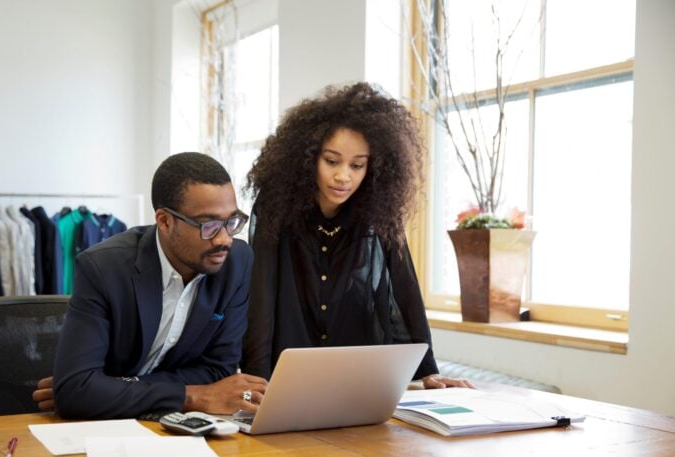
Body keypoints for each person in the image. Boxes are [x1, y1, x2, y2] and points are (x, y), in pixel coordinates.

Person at [241, 82, 472, 389]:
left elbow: (405, 288)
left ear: (373, 168)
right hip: (288, 369)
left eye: (357, 165)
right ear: (308, 158)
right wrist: (256, 379)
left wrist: (427, 370)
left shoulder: (377, 211)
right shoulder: (275, 207)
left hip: (355, 371)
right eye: (332, 161)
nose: (343, 176)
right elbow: (262, 294)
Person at [49, 152, 267, 419]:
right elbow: (76, 392)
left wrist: (115, 386)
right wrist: (191, 396)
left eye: (231, 222)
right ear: (164, 221)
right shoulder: (103, 269)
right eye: (209, 225)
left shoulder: (237, 262)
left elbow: (218, 369)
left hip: (174, 427)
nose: (225, 239)